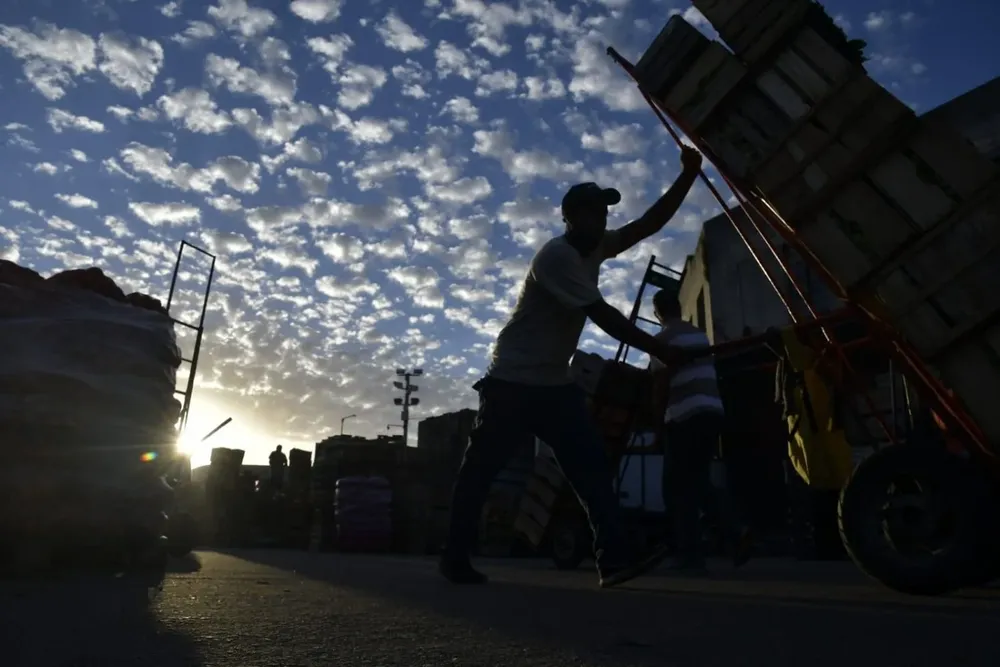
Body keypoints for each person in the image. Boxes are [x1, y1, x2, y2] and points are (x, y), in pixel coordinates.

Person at [440, 146, 704, 588]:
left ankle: (613, 559)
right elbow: (603, 315)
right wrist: (659, 348)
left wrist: (688, 176)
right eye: (591, 212)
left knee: (590, 465)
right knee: (481, 471)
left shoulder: (596, 246)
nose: (601, 220)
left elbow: (647, 225)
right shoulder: (556, 257)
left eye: (603, 212)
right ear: (569, 218)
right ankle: (454, 557)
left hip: (553, 385)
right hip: (512, 380)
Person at [648, 289, 752, 572]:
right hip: (712, 411)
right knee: (697, 480)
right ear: (679, 308)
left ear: (657, 313)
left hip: (684, 415)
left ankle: (690, 556)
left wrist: (657, 428)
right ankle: (735, 531)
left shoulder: (662, 340)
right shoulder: (699, 335)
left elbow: (660, 387)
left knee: (676, 487)